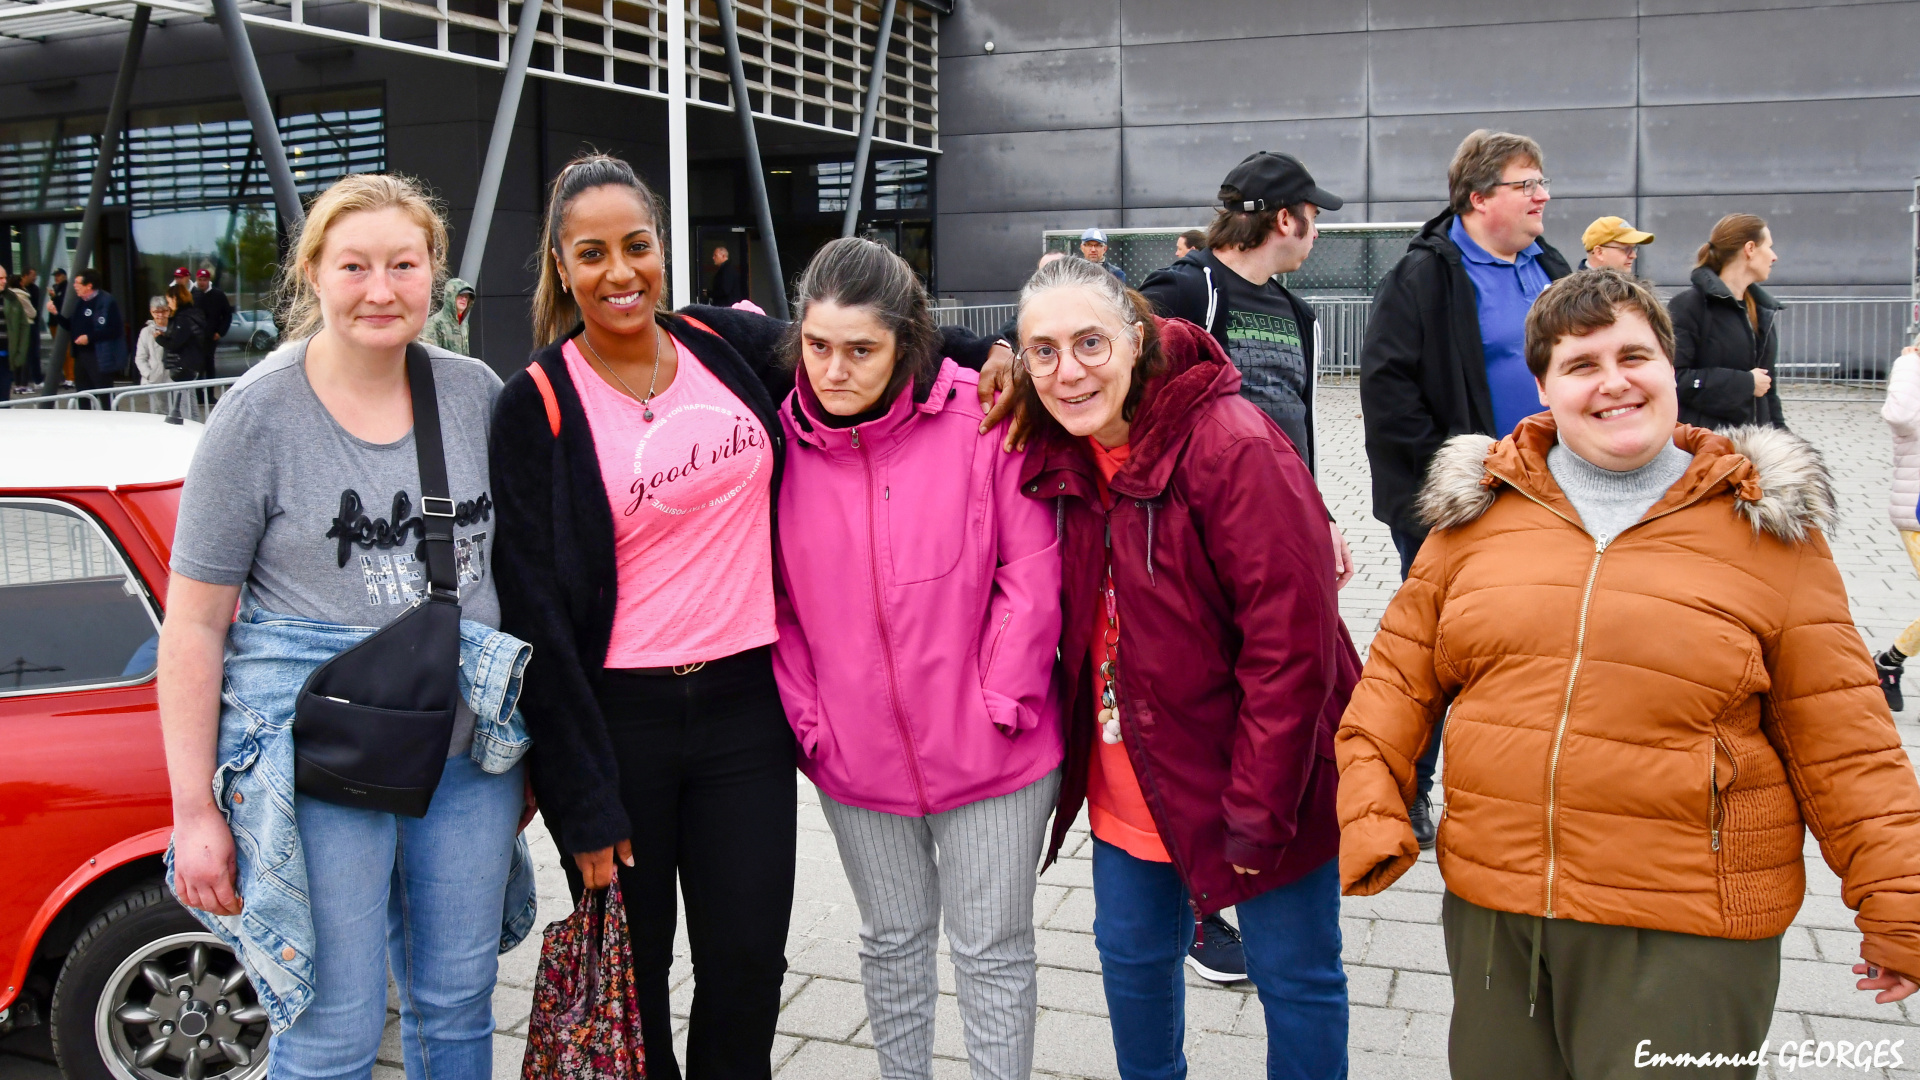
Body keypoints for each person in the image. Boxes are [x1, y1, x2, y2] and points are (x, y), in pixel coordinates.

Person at [489, 152, 1007, 1080]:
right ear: (560, 267)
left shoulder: (719, 343)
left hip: (745, 714)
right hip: (621, 728)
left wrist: (987, 352)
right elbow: (534, 617)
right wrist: (579, 796)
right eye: (592, 254)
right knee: (633, 985)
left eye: (637, 246)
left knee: (748, 969)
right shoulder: (536, 404)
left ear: (662, 248)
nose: (619, 272)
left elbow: (857, 333)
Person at [1336, 267, 1920, 1079]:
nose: (1613, 382)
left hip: (1688, 930)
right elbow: (1393, 687)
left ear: (1669, 369)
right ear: (1544, 388)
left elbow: (1845, 740)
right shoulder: (1479, 516)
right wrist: (1370, 812)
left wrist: (1900, 903)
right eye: (1581, 365)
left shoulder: (1767, 527)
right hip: (1498, 914)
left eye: (1633, 357)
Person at [160, 173, 531, 1079]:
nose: (380, 289)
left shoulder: (473, 393)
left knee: (458, 1004)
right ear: (313, 273)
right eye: (354, 266)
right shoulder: (258, 416)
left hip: (463, 761)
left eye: (404, 265)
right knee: (333, 1030)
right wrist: (195, 811)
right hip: (319, 770)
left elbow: (521, 578)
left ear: (435, 273)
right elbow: (195, 627)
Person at [1012, 256, 1358, 1080]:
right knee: (1132, 966)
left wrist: (1259, 811)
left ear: (1137, 340)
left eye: (1090, 343)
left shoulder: (1233, 447)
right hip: (1130, 775)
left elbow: (1291, 652)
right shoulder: (1062, 448)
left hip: (1260, 779)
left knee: (1295, 978)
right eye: (1043, 351)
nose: (1069, 372)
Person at [772, 237, 1063, 1080]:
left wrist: (1001, 701)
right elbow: (778, 603)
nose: (834, 370)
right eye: (818, 346)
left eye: (861, 350)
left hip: (995, 753)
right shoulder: (778, 442)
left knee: (992, 950)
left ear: (906, 342)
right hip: (854, 760)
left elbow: (1031, 572)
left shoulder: (985, 417)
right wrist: (812, 719)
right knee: (892, 944)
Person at [1358, 129, 1572, 849]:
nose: (1543, 196)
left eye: (1542, 182)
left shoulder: (1551, 266)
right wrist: (1458, 481)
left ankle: (1518, 788)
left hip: (1552, 500)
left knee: (1537, 650)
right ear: (1479, 198)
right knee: (1436, 654)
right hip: (1459, 502)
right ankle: (1407, 787)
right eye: (1527, 184)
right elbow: (1389, 391)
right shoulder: (1425, 276)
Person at [1667, 213, 1784, 431]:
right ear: (1750, 249)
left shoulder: (1761, 310)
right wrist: (1745, 383)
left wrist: (1785, 440)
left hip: (1756, 442)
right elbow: (1675, 379)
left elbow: (1769, 391)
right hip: (1705, 442)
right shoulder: (1689, 307)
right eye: (1769, 247)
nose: (1774, 257)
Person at [1874, 337, 1920, 711]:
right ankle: (1888, 662)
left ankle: (1889, 661)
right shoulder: (1912, 370)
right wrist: (1909, 365)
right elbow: (1900, 417)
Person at [48, 267, 128, 404]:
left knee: (105, 396)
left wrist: (89, 337)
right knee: (83, 395)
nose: (74, 286)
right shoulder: (80, 302)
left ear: (89, 285)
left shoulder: (106, 301)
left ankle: (111, 416)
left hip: (99, 356)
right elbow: (70, 326)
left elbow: (115, 330)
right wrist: (56, 314)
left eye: (78, 283)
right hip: (80, 356)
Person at [155, 279, 212, 393]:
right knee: (190, 398)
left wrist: (159, 338)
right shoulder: (192, 315)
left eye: (169, 300)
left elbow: (175, 343)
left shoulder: (182, 319)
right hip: (191, 364)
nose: (168, 304)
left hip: (182, 366)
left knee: (182, 400)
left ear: (175, 299)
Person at [131, 294, 180, 413]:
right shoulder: (146, 332)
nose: (160, 315)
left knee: (180, 412)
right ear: (151, 312)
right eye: (156, 312)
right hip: (155, 381)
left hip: (176, 379)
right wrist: (149, 374)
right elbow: (140, 358)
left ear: (169, 310)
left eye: (163, 311)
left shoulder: (177, 328)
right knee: (158, 414)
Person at [1579, 216, 1653, 274]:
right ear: (1599, 252)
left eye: (1634, 249)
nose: (1634, 256)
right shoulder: (1578, 289)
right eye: (1626, 249)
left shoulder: (1628, 286)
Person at [0, 264, 31, 401]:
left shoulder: (11, 298)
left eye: (5, 278)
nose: (4, 281)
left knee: (4, 397)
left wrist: (20, 354)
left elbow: (24, 326)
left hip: (6, 357)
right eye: (0, 278)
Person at [424, 276, 476, 355]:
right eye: (461, 295)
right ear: (451, 296)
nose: (464, 299)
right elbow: (430, 355)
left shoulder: (464, 324)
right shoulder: (435, 323)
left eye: (467, 297)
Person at [19, 267, 43, 390]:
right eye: (33, 275)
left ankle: (36, 379)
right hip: (23, 325)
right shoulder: (19, 290)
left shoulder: (35, 289)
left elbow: (35, 309)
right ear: (25, 275)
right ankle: (22, 382)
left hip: (32, 325)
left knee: (34, 352)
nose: (35, 278)